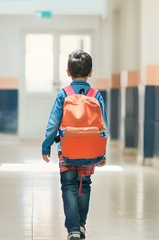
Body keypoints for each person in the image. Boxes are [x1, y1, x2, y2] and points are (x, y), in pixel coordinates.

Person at [41, 50, 108, 240]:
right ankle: (81, 224)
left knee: (68, 186)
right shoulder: (96, 95)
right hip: (91, 148)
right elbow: (104, 125)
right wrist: (102, 153)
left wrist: (46, 146)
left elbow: (53, 123)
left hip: (67, 150)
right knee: (84, 185)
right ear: (91, 72)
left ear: (68, 72)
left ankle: (73, 229)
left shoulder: (63, 94)